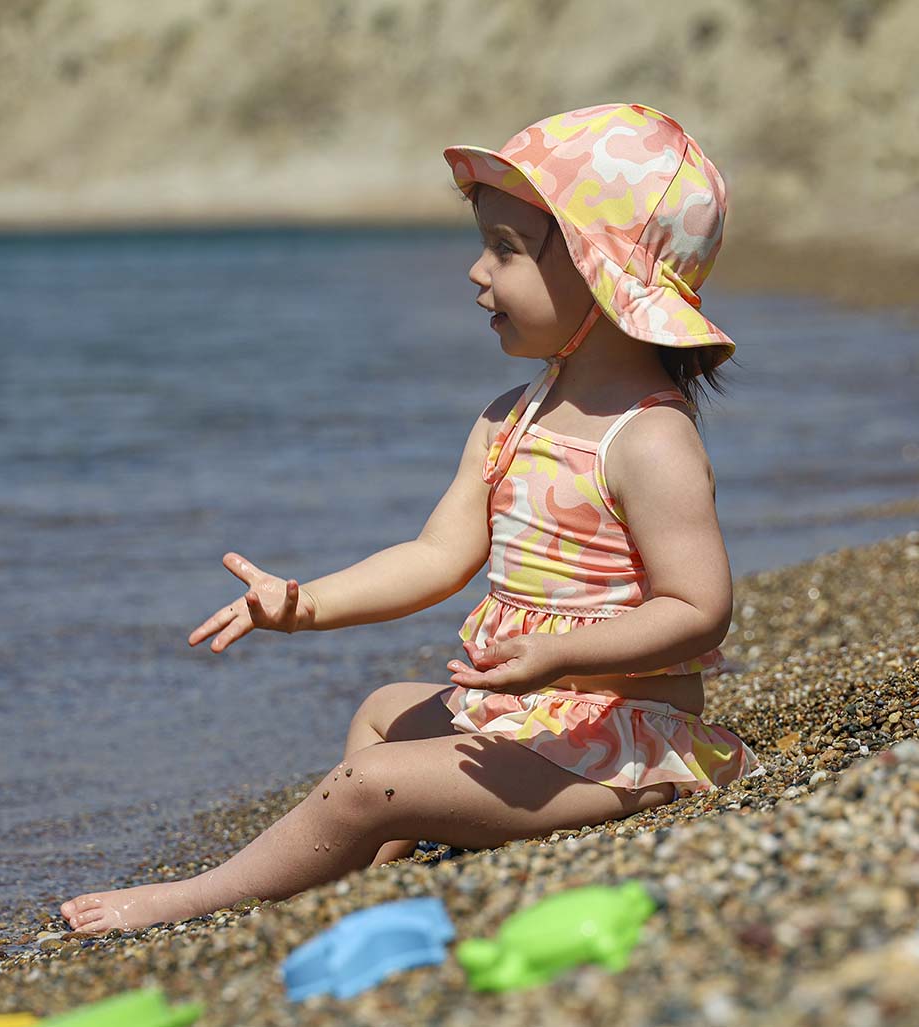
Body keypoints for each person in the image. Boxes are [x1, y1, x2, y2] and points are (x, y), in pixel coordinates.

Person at [61, 102, 761, 935]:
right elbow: (437, 555)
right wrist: (305, 602)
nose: (476, 272)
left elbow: (697, 608)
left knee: (368, 782)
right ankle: (354, 882)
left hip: (617, 745)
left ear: (600, 271)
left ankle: (191, 899)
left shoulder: (649, 438)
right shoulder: (513, 416)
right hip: (523, 721)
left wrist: (562, 653)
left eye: (505, 249)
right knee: (382, 710)